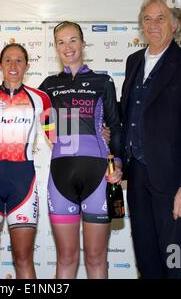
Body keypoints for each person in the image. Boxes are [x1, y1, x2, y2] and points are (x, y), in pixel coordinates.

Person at [120, 0, 181, 278]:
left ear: (175, 25)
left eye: (161, 18)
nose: (153, 24)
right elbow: (129, 115)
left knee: (173, 261)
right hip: (136, 178)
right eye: (147, 19)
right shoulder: (133, 61)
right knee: (147, 261)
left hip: (171, 182)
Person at [38, 21, 122, 279]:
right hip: (60, 175)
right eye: (61, 42)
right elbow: (39, 119)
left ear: (83, 44)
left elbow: (115, 126)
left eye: (73, 40)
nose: (68, 47)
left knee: (96, 259)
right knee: (66, 259)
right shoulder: (48, 86)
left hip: (98, 174)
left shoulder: (102, 81)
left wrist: (117, 163)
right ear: (56, 48)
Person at [0, 43, 54, 279]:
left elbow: (60, 137)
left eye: (19, 60)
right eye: (8, 60)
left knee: (23, 258)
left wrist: (94, 131)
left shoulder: (41, 99)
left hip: (23, 184)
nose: (13, 65)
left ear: (27, 66)